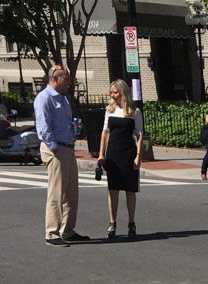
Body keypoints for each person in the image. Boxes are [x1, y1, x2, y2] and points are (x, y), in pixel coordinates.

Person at [33, 65, 86, 245]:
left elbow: (63, 125)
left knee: (71, 192)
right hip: (56, 149)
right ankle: (52, 232)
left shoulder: (63, 99)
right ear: (54, 79)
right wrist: (55, 148)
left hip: (68, 147)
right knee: (56, 192)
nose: (70, 82)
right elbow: (43, 127)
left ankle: (67, 229)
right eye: (67, 78)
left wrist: (75, 128)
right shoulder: (44, 99)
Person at [96, 79, 143, 240]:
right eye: (111, 92)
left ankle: (131, 223)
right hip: (113, 153)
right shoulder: (110, 110)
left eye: (115, 92)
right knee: (113, 189)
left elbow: (139, 134)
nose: (112, 95)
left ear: (123, 92)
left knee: (130, 189)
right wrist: (101, 153)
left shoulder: (134, 111)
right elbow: (105, 132)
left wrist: (138, 156)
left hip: (128, 152)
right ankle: (112, 223)